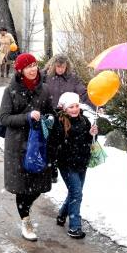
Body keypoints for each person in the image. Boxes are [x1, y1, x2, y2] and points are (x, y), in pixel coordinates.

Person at [0, 53, 53, 242]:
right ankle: (25, 220)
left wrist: (50, 118)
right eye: (28, 67)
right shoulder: (10, 91)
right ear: (20, 70)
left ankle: (26, 210)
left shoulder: (44, 89)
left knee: (38, 185)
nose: (32, 69)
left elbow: (50, 112)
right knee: (22, 187)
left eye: (34, 65)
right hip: (18, 145)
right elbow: (4, 118)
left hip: (38, 144)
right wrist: (27, 117)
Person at [48, 92, 98, 239]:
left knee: (74, 192)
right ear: (64, 108)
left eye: (76, 105)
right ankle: (75, 227)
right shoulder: (60, 122)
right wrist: (53, 166)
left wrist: (91, 133)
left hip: (82, 162)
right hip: (67, 164)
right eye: (71, 107)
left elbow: (88, 141)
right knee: (76, 193)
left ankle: (62, 215)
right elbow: (56, 144)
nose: (75, 109)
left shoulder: (84, 120)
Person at [44, 54, 94, 182]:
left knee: (63, 144)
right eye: (58, 67)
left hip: (67, 116)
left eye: (63, 67)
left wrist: (95, 103)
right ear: (53, 65)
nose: (60, 69)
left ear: (67, 66)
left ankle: (64, 167)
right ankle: (52, 169)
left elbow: (83, 92)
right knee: (50, 143)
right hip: (50, 114)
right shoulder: (45, 76)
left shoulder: (72, 78)